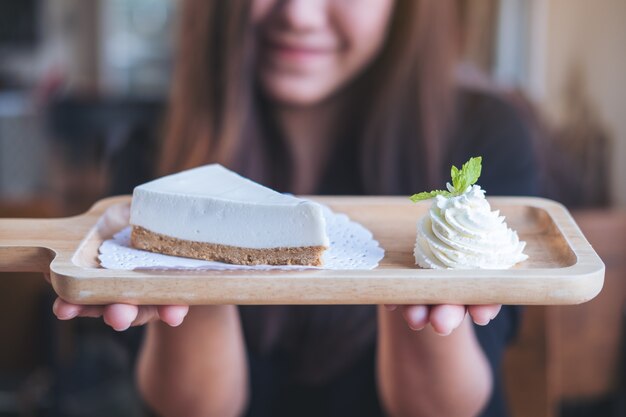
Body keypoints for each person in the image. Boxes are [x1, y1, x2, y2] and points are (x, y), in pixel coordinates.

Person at [53, 1, 538, 416]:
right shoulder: (153, 154)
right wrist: (190, 272)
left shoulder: (481, 136)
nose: (299, 15)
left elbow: (440, 410)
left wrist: (420, 279)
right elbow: (193, 409)